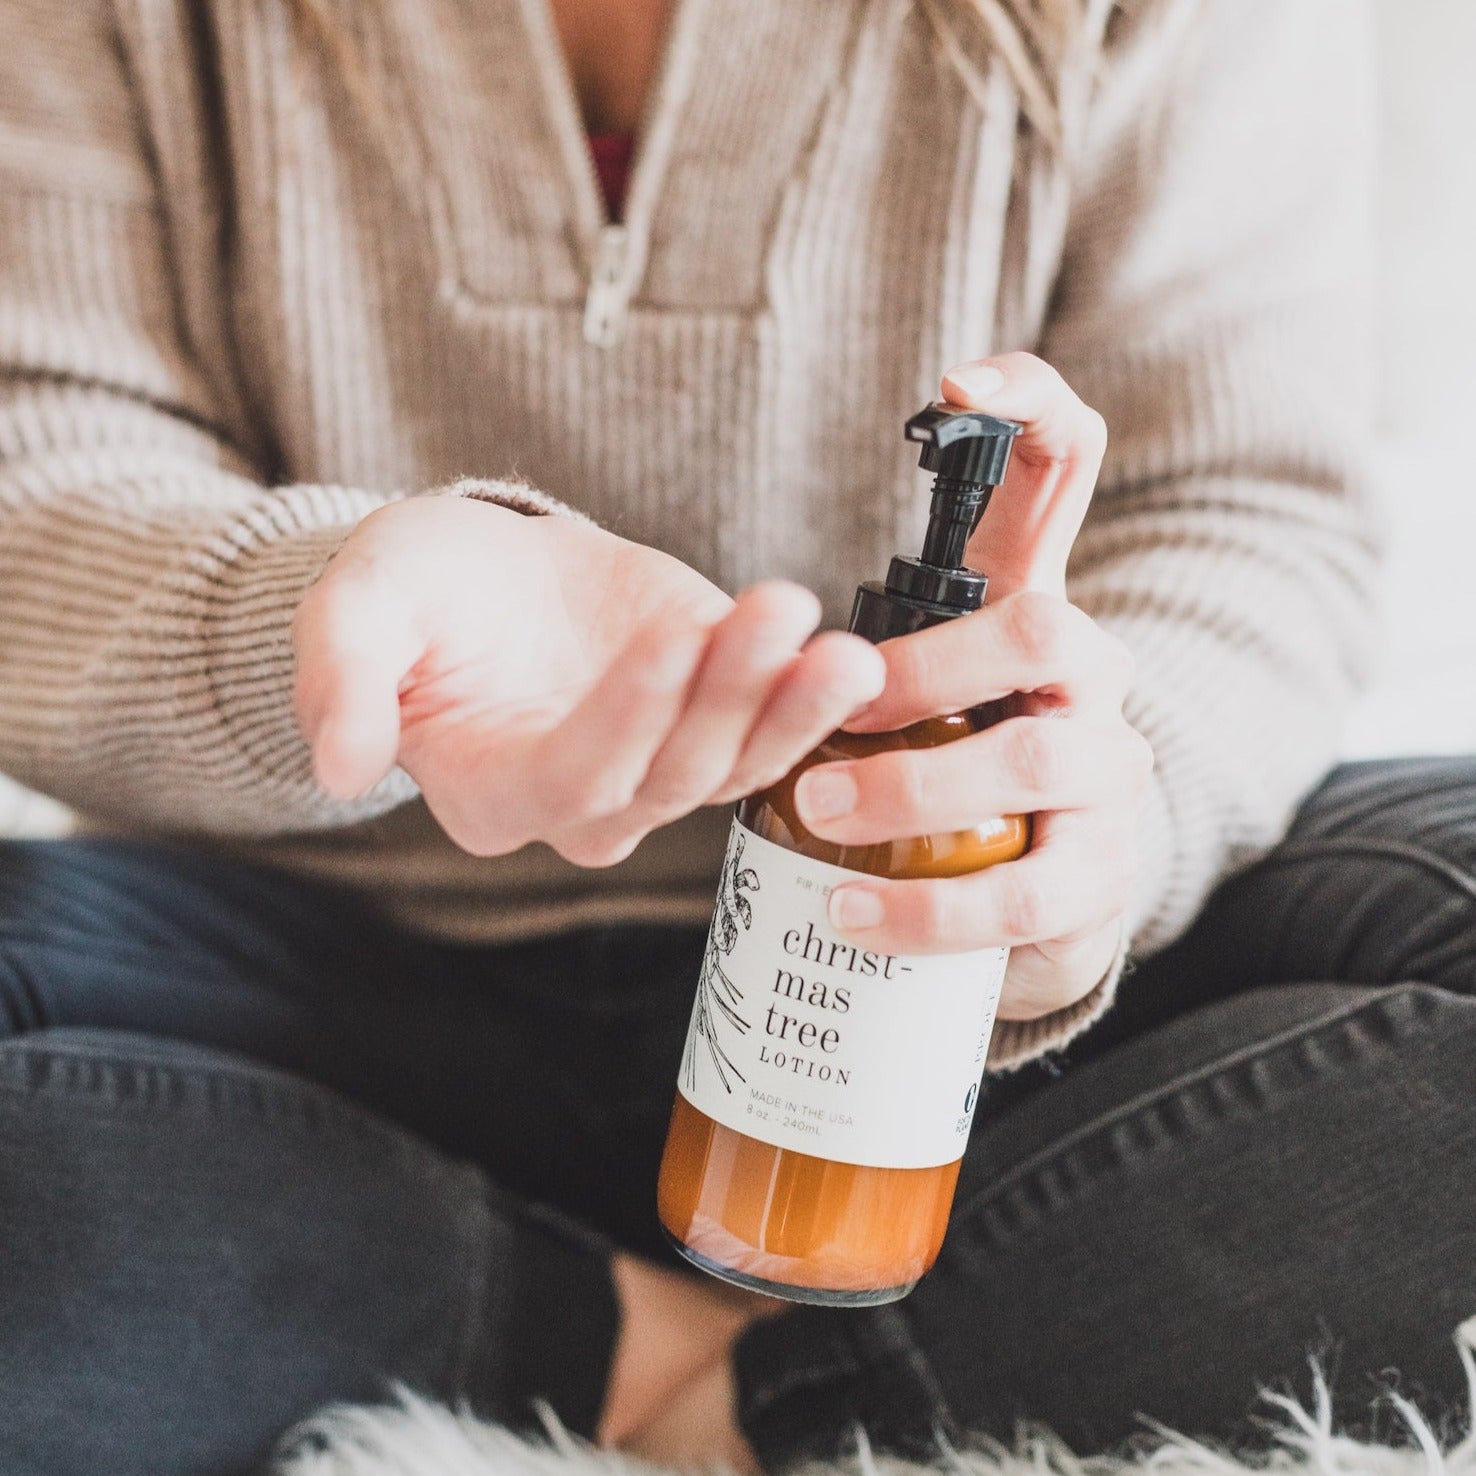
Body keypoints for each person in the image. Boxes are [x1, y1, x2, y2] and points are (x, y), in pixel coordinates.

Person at [1, 0, 1472, 1473]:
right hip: (309, 1013)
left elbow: (1241, 508)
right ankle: (624, 1349)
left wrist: (1077, 830)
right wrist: (321, 618)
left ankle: (766, 1377)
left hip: (946, 1038)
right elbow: (41, 466)